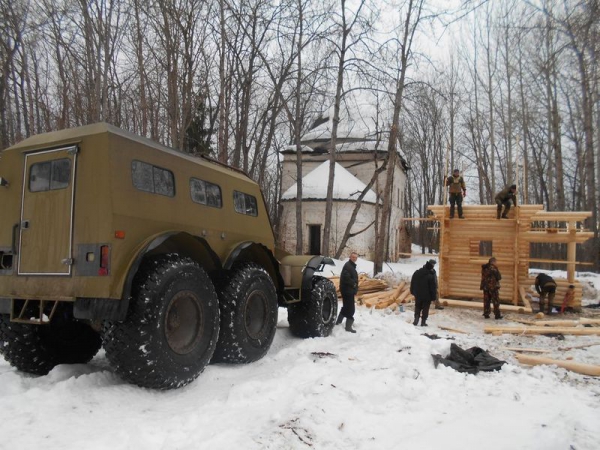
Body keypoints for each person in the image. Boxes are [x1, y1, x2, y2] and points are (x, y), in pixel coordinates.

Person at [410, 259, 438, 327]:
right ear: (432, 265)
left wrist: (413, 291)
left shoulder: (417, 272)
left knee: (418, 306)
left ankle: (416, 319)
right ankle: (423, 322)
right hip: (427, 296)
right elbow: (433, 287)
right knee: (425, 308)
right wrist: (434, 297)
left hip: (418, 294)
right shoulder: (431, 275)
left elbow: (413, 282)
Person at [336, 252, 358, 333]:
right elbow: (346, 277)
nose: (354, 259)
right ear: (350, 257)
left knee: (346, 307)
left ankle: (338, 322)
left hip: (348, 290)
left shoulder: (351, 266)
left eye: (355, 257)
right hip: (347, 291)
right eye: (353, 257)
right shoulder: (348, 266)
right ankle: (348, 327)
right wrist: (354, 283)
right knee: (351, 309)